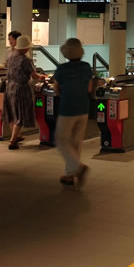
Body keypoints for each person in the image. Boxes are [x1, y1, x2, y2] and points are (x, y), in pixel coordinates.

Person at [53, 38, 94, 188]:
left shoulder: (62, 68)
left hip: (67, 108)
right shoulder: (86, 67)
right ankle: (70, 175)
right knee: (76, 142)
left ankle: (78, 167)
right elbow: (89, 88)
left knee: (61, 140)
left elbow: (56, 88)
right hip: (83, 107)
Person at [5, 35, 44, 149]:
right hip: (21, 88)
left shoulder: (11, 57)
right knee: (21, 114)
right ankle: (12, 141)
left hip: (9, 86)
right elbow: (33, 75)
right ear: (25, 48)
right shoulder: (26, 60)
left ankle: (15, 136)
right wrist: (41, 77)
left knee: (12, 113)